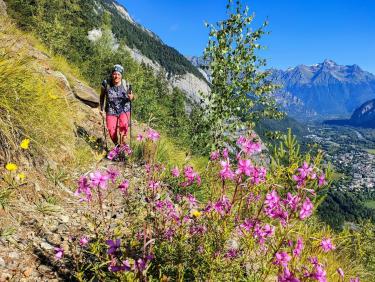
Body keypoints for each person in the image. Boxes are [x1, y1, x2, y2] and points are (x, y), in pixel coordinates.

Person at [99, 64, 134, 147]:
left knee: (123, 129)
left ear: (121, 75)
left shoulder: (126, 84)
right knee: (111, 130)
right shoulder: (106, 84)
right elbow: (102, 96)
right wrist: (101, 108)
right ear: (112, 74)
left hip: (124, 109)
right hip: (111, 110)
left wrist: (132, 97)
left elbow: (132, 97)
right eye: (114, 74)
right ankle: (117, 146)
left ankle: (123, 147)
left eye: (118, 74)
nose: (116, 76)